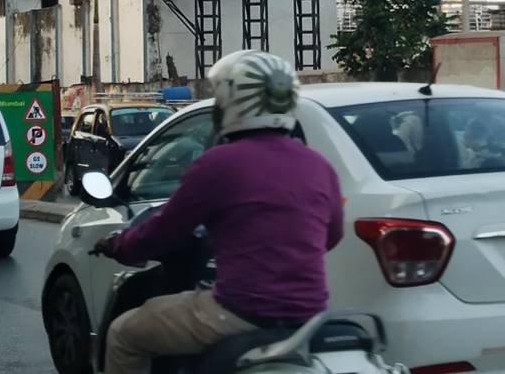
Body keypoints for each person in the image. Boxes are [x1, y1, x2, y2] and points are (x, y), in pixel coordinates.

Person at [94, 51, 344, 374]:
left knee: (123, 334)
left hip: (238, 313)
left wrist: (119, 245)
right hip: (309, 316)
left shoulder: (218, 164)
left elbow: (163, 231)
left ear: (232, 103)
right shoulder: (319, 165)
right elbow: (332, 235)